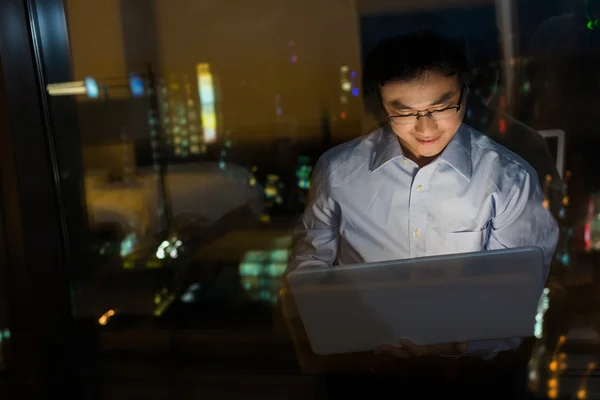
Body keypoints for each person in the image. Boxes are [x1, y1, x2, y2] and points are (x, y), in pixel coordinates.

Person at [287, 32, 559, 395]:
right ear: (378, 104)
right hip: (363, 375)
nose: (426, 127)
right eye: (404, 112)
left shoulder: (508, 178)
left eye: (443, 106)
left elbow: (518, 296)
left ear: (464, 91)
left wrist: (461, 346)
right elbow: (307, 267)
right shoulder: (338, 172)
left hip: (473, 381)